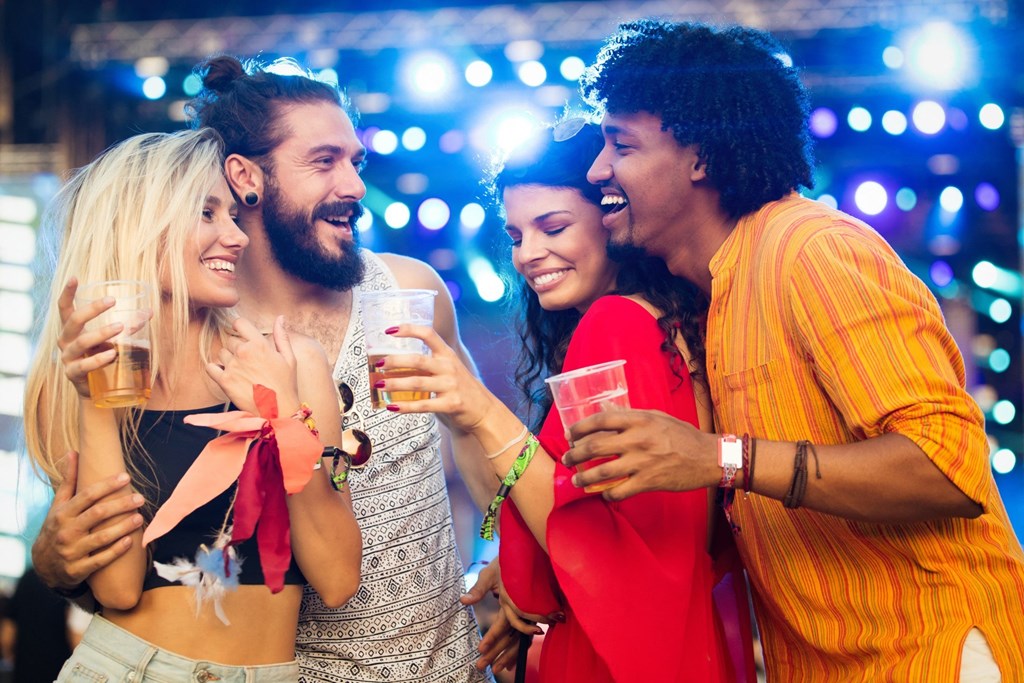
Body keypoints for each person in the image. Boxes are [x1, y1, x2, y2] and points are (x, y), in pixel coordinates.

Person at [556, 19, 1024, 681]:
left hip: (932, 652)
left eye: (620, 143)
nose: (597, 167)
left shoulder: (811, 251)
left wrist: (720, 457)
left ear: (700, 158)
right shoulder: (716, 294)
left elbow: (947, 467)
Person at [31, 56, 508, 681]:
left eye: (355, 162)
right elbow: (115, 571)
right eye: (324, 160)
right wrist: (53, 561)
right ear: (246, 178)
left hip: (440, 661)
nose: (356, 185)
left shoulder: (403, 292)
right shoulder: (167, 346)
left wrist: (512, 553)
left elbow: (472, 432)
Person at [369, 119, 751, 682]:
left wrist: (480, 409)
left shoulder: (614, 325)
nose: (529, 254)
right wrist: (521, 559)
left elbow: (606, 552)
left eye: (553, 227)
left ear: (611, 217)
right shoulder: (663, 321)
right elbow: (623, 521)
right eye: (518, 236)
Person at [22, 128, 361, 681]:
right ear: (137, 227)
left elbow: (338, 577)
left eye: (230, 214)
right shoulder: (66, 388)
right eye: (207, 214)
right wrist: (94, 400)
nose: (236, 236)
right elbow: (119, 587)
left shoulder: (292, 362)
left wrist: (284, 416)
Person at [1, 567, 83, 683]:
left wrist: (9, 656)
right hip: (59, 668)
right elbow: (74, 631)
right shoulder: (73, 580)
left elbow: (9, 628)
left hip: (26, 667)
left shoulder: (29, 576)